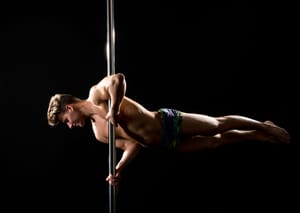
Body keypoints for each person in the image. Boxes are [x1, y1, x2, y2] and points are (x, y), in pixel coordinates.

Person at [47, 73, 290, 186]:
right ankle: (257, 134)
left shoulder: (96, 95)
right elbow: (133, 144)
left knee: (217, 125)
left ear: (69, 107)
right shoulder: (98, 133)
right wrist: (119, 169)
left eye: (65, 120)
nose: (69, 125)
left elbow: (118, 80)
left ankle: (261, 125)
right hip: (164, 143)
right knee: (215, 142)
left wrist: (115, 108)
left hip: (167, 122)